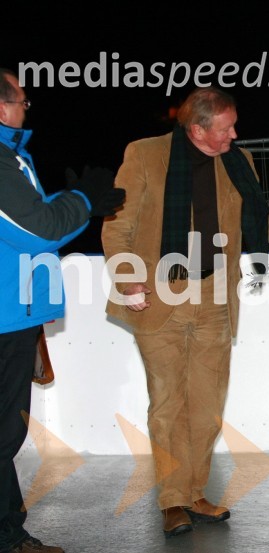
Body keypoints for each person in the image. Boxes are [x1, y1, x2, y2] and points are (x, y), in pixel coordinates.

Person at [101, 86, 269, 537]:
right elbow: (117, 225)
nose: (234, 134)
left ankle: (195, 492)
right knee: (168, 404)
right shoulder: (145, 155)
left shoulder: (237, 161)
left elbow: (252, 226)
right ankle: (172, 500)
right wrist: (129, 279)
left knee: (207, 405)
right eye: (226, 128)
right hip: (159, 293)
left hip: (215, 296)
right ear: (198, 128)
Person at [0, 68, 124, 553]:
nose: (26, 109)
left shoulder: (12, 157)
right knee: (5, 432)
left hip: (13, 314)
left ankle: (10, 534)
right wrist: (80, 201)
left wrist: (69, 203)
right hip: (5, 318)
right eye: (22, 102)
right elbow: (37, 231)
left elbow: (27, 223)